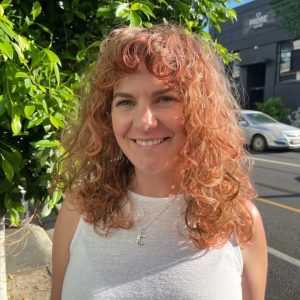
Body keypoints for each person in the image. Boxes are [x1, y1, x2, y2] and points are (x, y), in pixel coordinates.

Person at [51, 24, 268, 300]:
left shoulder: (240, 221)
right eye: (126, 102)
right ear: (107, 116)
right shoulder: (78, 209)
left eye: (164, 98)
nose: (144, 123)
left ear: (197, 108)